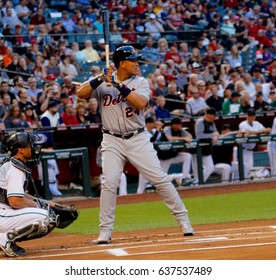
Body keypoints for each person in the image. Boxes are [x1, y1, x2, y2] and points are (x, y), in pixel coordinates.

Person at [77, 45, 194, 244]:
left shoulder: (140, 81)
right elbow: (81, 92)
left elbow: (140, 103)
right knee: (109, 184)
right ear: (122, 63)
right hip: (112, 139)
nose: (137, 63)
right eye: (133, 60)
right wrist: (100, 79)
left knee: (159, 178)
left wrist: (118, 85)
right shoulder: (103, 82)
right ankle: (105, 231)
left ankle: (184, 220)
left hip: (138, 138)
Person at [0, 132, 58, 257]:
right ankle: (5, 238)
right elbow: (15, 202)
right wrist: (38, 206)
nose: (32, 147)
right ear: (20, 149)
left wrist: (45, 203)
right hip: (2, 215)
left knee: (46, 210)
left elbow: (20, 196)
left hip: (3, 212)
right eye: (29, 145)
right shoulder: (15, 169)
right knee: (48, 217)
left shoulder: (12, 164)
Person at [239, 108, 271, 178]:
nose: (252, 117)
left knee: (249, 170)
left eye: (253, 115)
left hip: (250, 151)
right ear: (247, 116)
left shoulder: (256, 123)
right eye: (250, 115)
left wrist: (254, 132)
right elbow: (247, 132)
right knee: (242, 171)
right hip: (243, 151)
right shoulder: (242, 124)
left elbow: (267, 130)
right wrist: (259, 132)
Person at [192, 107, 219, 185]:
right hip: (197, 149)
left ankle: (198, 183)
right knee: (197, 171)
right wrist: (212, 135)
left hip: (207, 149)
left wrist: (216, 135)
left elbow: (216, 132)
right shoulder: (200, 121)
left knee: (210, 167)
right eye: (213, 116)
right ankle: (196, 184)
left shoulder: (212, 122)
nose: (214, 117)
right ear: (208, 115)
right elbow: (199, 135)